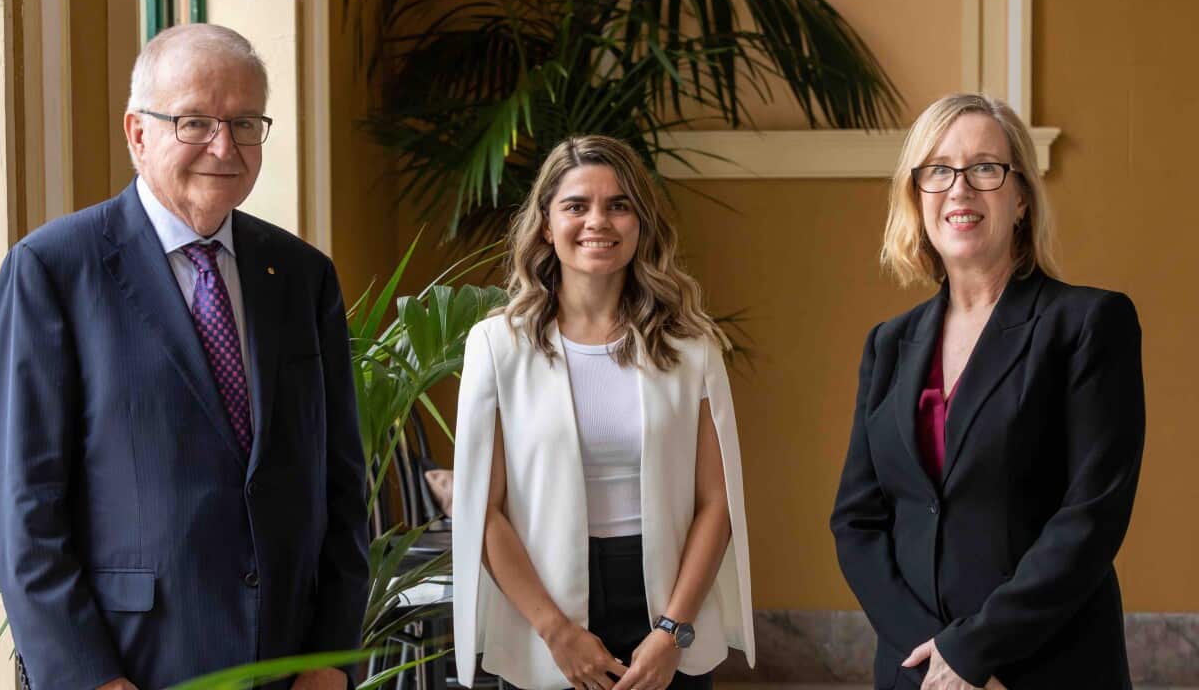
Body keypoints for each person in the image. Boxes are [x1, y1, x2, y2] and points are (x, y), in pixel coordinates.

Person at [0, 23, 369, 690]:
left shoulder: (302, 276)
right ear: (138, 133)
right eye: (195, 121)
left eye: (245, 123)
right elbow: (24, 508)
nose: (224, 146)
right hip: (134, 665)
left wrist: (329, 660)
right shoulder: (53, 271)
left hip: (287, 663)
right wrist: (88, 678)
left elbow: (341, 484)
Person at [830, 93, 1145, 690]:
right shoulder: (888, 345)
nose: (959, 189)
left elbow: (1091, 516)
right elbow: (857, 521)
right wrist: (936, 657)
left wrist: (972, 655)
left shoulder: (1088, 323)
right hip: (915, 670)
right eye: (939, 170)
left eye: (984, 168)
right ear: (916, 196)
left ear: (1022, 197)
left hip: (1042, 668)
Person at [451, 136, 755, 690]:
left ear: (640, 222)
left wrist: (672, 630)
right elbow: (483, 510)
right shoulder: (497, 345)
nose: (599, 221)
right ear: (546, 224)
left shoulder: (691, 346)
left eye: (619, 205)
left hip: (666, 598)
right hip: (543, 609)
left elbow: (718, 500)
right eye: (576, 206)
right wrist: (556, 631)